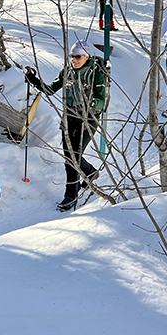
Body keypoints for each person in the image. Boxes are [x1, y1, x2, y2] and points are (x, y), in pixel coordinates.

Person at [25, 40, 106, 212]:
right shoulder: (67, 71)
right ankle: (90, 173)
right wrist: (34, 80)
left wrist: (92, 103)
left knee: (72, 158)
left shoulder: (95, 73)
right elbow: (50, 89)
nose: (74, 60)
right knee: (69, 155)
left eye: (77, 57)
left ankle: (71, 197)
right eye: (71, 56)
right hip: (69, 117)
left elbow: (102, 101)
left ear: (86, 56)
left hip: (87, 119)